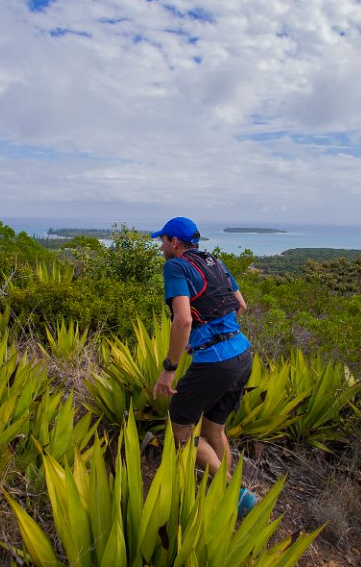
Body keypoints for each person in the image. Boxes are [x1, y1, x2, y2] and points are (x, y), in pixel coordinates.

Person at [150, 216, 257, 516]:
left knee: (179, 432)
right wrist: (206, 334)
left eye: (163, 241)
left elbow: (183, 320)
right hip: (242, 354)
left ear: (174, 242)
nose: (161, 247)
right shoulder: (215, 261)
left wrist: (170, 368)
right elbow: (241, 305)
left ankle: (234, 493)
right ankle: (233, 496)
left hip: (215, 363)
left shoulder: (176, 266)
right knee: (213, 429)